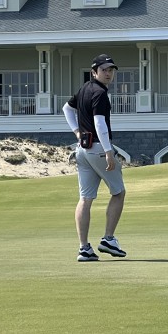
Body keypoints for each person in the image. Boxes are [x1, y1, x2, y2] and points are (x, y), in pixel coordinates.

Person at [62, 54, 127, 261]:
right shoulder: (99, 93)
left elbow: (67, 108)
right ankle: (108, 239)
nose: (108, 73)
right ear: (94, 72)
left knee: (85, 198)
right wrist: (109, 151)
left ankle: (84, 248)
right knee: (118, 192)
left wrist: (76, 132)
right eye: (104, 70)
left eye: (111, 70)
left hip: (82, 150)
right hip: (98, 148)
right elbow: (100, 124)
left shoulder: (84, 89)